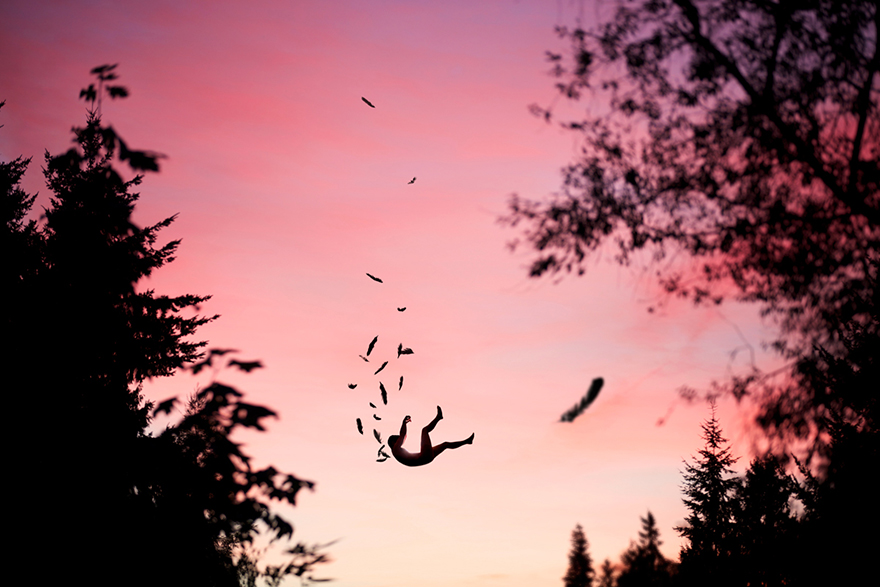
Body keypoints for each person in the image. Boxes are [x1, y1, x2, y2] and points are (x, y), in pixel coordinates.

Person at [388, 406, 474, 467]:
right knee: (424, 431)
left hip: (426, 458)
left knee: (446, 444)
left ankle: (467, 441)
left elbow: (403, 437)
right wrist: (404, 423)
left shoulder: (396, 452)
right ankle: (438, 417)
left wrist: (404, 426)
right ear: (393, 442)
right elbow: (403, 436)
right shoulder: (395, 448)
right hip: (424, 456)